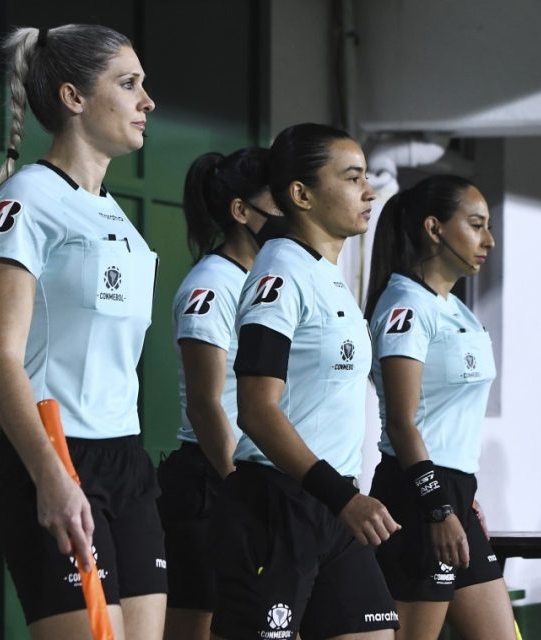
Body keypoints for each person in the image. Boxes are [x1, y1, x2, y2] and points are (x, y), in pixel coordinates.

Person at [0, 24, 166, 640]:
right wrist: (51, 476)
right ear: (73, 97)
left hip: (127, 460)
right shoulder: (29, 198)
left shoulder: (117, 216)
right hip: (58, 456)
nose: (148, 101)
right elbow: (2, 357)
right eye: (129, 84)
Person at [209, 123, 401, 640]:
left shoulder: (325, 273)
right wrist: (342, 497)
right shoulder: (281, 272)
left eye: (367, 177)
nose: (370, 191)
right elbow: (256, 408)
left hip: (334, 507)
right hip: (278, 504)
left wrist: (341, 499)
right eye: (352, 178)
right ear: (301, 194)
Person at [364, 175, 516, 640]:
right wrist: (437, 507)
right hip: (417, 497)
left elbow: (449, 417)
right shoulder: (405, 307)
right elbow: (403, 421)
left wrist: (461, 496)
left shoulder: (456, 308)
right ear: (434, 228)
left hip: (453, 494)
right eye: (475, 225)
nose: (488, 239)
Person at [157, 146, 285, 640]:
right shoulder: (210, 286)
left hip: (259, 479)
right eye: (276, 201)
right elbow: (206, 402)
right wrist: (240, 488)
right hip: (212, 482)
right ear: (241, 211)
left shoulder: (267, 283)